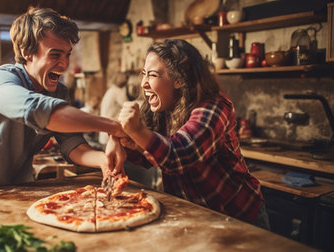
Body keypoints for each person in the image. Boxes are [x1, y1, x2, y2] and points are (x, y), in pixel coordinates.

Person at [0, 7, 126, 192]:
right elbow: (38, 109)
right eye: (55, 55)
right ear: (27, 52)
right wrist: (113, 126)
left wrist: (104, 161)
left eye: (67, 54)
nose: (65, 64)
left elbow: (73, 144)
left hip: (15, 191)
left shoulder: (59, 92)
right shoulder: (2, 78)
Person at [114, 39, 270, 229]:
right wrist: (123, 141)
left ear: (179, 79)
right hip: (194, 213)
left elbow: (178, 155)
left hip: (237, 215)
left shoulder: (215, 106)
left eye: (153, 75)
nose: (144, 84)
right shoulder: (164, 107)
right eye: (144, 74)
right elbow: (149, 156)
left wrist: (137, 131)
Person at [98, 71, 130, 145]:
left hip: (104, 132)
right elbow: (128, 105)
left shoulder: (110, 90)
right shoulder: (117, 91)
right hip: (109, 133)